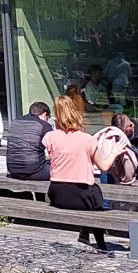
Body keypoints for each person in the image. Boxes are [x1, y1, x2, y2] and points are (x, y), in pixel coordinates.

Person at [45, 95, 108, 248]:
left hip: (57, 193)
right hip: (81, 194)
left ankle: (84, 234)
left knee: (92, 197)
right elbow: (104, 166)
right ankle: (101, 243)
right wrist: (115, 152)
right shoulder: (87, 139)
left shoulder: (50, 137)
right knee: (96, 197)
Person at [5, 102, 54, 180]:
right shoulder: (44, 125)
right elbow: (55, 148)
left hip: (13, 170)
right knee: (62, 170)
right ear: (45, 114)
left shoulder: (14, 122)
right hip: (34, 171)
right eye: (47, 118)